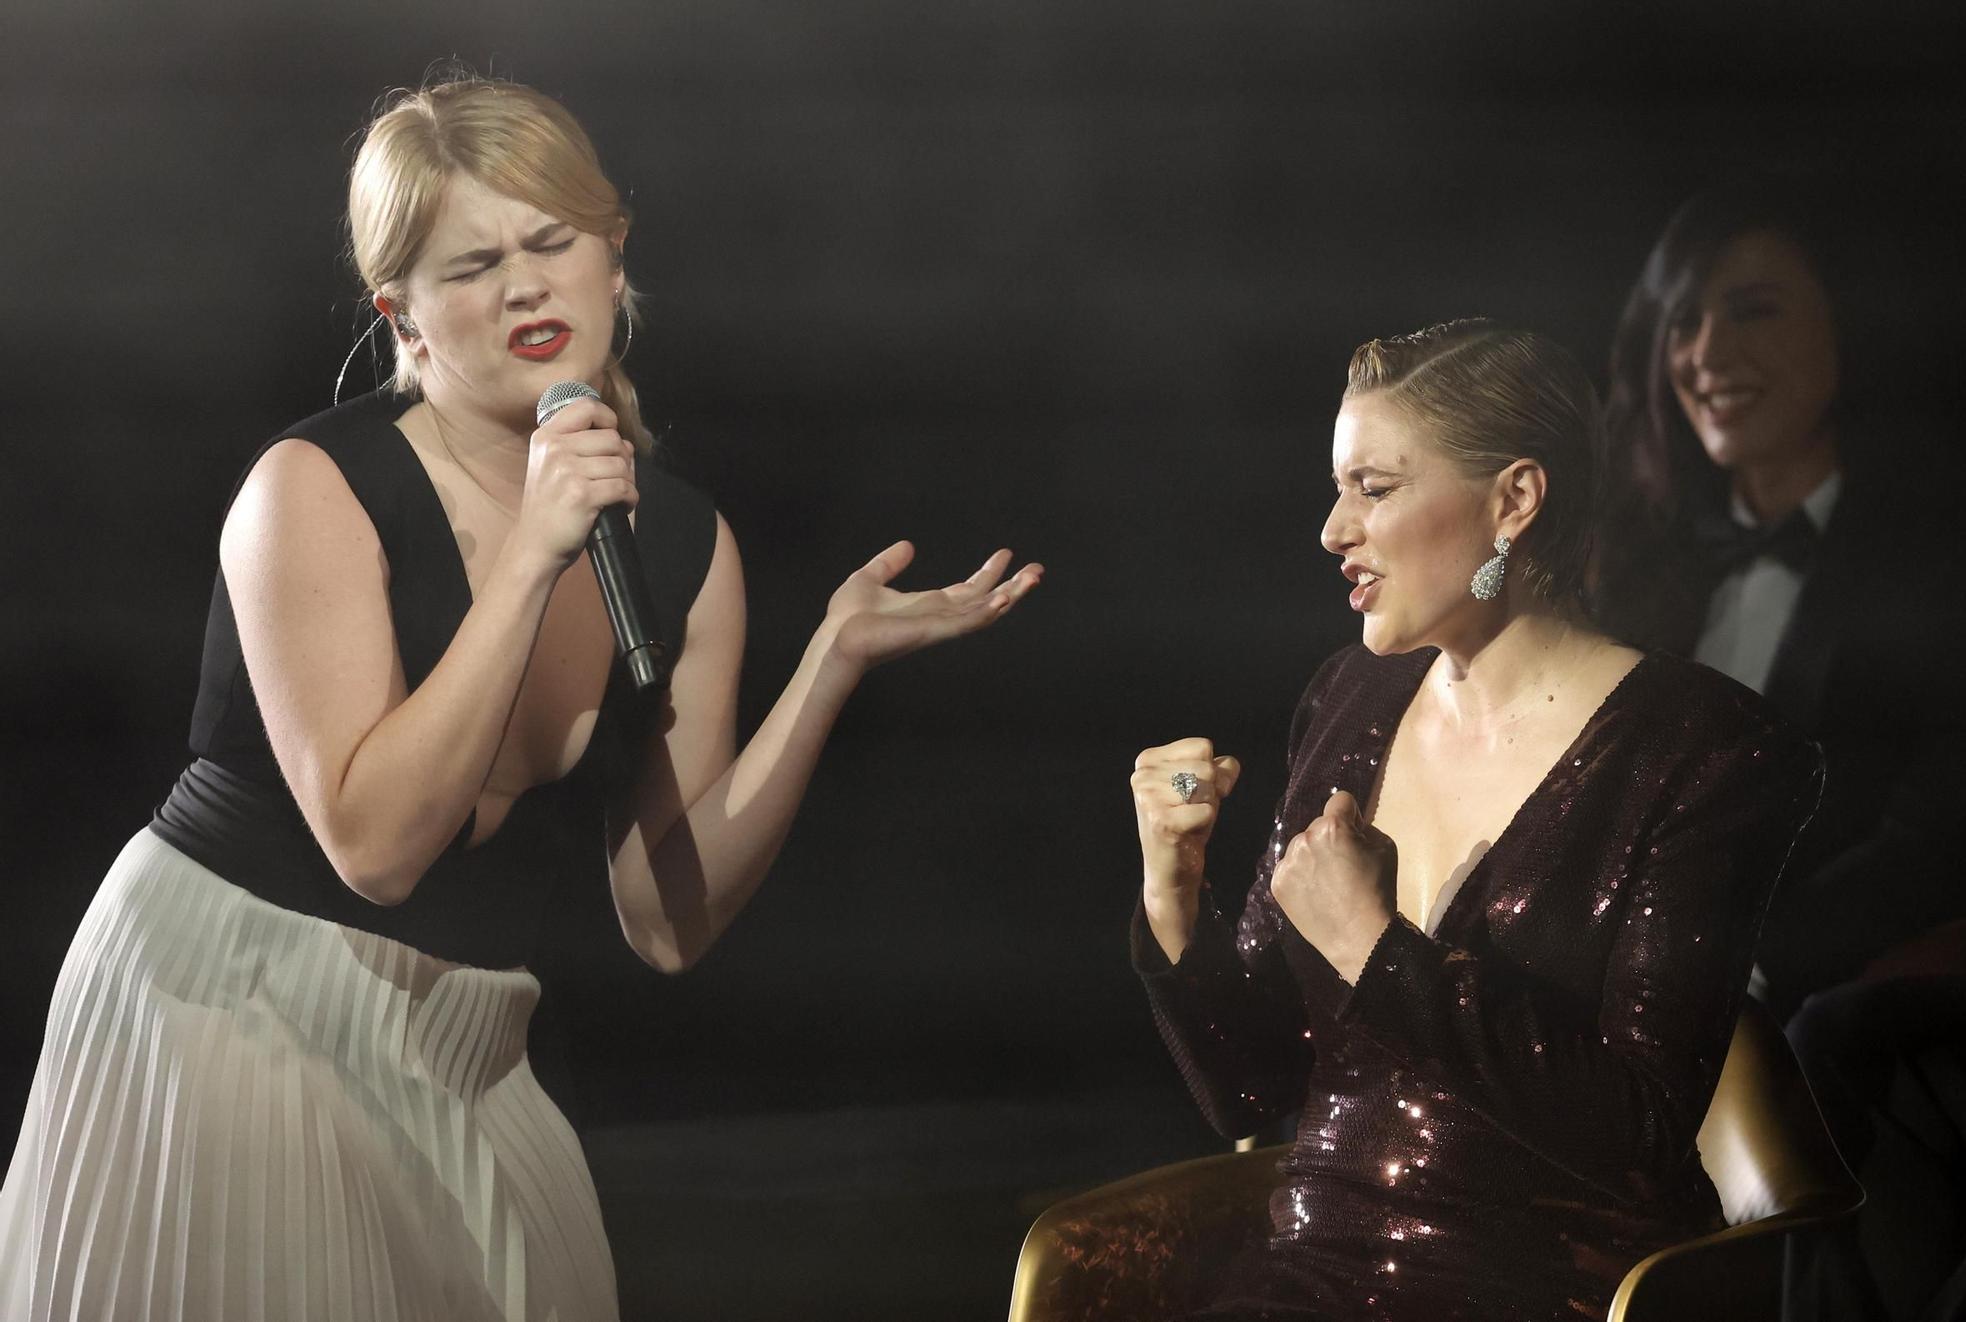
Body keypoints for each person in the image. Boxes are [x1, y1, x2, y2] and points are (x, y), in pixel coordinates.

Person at [0, 74, 1040, 1320]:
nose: (525, 286)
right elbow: (375, 845)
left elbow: (667, 920)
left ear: (613, 255)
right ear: (406, 314)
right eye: (472, 264)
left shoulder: (681, 543)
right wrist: (534, 556)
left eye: (552, 241)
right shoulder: (311, 488)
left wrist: (828, 666)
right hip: (227, 1003)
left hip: (467, 1043)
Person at [1130, 319, 1820, 1320]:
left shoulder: (1704, 750)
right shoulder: (1349, 700)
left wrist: (1377, 949)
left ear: (1513, 499)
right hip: (1303, 1282)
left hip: (1533, 1284)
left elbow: (1639, 1126)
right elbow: (1248, 1083)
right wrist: (1173, 885)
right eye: (1339, 488)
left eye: (1373, 487)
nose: (1331, 528)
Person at [1595, 185, 1966, 1322]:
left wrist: (1740, 966)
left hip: (1811, 997)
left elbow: (1941, 828)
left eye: (1752, 310)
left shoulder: (1942, 559)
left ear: (1843, 327)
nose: (1707, 352)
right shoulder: (1628, 570)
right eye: (1681, 322)